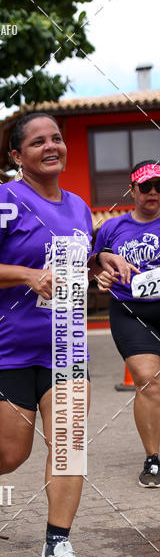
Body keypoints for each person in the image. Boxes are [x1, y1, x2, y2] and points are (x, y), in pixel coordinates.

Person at [0, 112, 130, 557]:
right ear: (18, 156)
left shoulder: (77, 207)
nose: (51, 146)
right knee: (13, 452)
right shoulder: (1, 201)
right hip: (9, 347)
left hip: (67, 346)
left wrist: (102, 261)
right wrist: (25, 275)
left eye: (56, 138)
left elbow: (78, 263)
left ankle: (57, 546)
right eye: (37, 142)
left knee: (70, 445)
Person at [94, 159, 160, 487]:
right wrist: (102, 275)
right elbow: (95, 267)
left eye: (159, 187)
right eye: (146, 186)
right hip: (130, 312)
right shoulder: (111, 228)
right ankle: (153, 459)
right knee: (148, 381)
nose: (153, 193)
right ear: (132, 190)